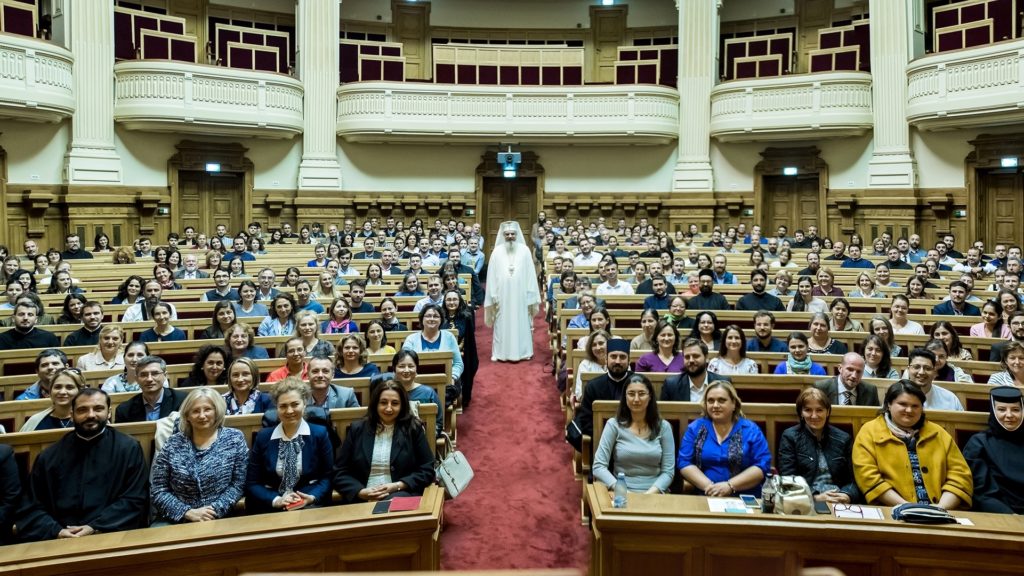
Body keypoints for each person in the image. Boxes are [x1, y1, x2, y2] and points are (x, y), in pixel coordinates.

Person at [16, 388, 149, 541]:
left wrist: (94, 527)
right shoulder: (49, 456)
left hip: (111, 534)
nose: (91, 415)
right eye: (82, 410)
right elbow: (32, 506)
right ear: (72, 415)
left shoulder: (128, 448)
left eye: (98, 409)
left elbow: (135, 499)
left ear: (109, 413)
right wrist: (56, 530)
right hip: (59, 539)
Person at [852, 380, 973, 509]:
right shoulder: (869, 432)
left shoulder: (938, 433)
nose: (909, 410)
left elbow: (960, 476)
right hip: (891, 509)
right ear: (888, 404)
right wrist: (908, 508)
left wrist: (940, 509)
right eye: (902, 404)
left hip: (942, 509)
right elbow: (868, 477)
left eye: (915, 406)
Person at [150, 388, 248, 524]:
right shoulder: (173, 443)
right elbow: (158, 490)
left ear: (217, 411)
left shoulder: (234, 438)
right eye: (195, 411)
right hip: (178, 520)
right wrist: (187, 512)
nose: (202, 416)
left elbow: (238, 485)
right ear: (187, 416)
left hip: (222, 517)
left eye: (207, 409)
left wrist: (213, 511)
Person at [332, 378, 436, 503]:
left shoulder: (413, 429)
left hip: (400, 494)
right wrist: (360, 491)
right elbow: (340, 471)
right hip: (362, 498)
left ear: (402, 405)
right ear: (375, 404)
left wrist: (398, 485)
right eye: (383, 402)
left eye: (395, 403)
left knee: (394, 504)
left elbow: (427, 469)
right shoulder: (357, 429)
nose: (388, 408)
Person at [245, 378, 335, 514]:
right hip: (271, 506)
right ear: (276, 408)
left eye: (295, 404)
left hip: (309, 505)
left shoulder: (319, 434)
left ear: (304, 403)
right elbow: (252, 482)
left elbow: (327, 477)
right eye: (283, 406)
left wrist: (311, 497)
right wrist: (276, 500)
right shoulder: (263, 436)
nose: (289, 411)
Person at [677, 381, 771, 497]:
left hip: (744, 496)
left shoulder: (751, 430)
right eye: (710, 401)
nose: (715, 405)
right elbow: (684, 462)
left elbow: (762, 465)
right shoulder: (695, 428)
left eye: (721, 400)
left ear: (734, 404)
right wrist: (710, 487)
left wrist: (730, 486)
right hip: (706, 494)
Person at [593, 374, 675, 494]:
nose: (636, 399)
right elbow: (599, 466)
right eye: (631, 394)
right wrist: (622, 490)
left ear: (650, 396)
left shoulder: (664, 427)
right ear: (625, 397)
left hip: (655, 493)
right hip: (621, 492)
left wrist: (649, 495)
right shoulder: (614, 425)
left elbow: (668, 472)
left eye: (641, 394)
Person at [778, 387, 859, 504]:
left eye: (819, 410)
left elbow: (854, 479)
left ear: (828, 412)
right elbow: (788, 479)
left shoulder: (843, 438)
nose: (814, 416)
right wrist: (815, 498)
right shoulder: (790, 437)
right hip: (806, 501)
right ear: (801, 413)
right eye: (808, 410)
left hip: (839, 499)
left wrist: (847, 495)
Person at [484, 221, 541, 362]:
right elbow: (491, 275)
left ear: (517, 234)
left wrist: (530, 295)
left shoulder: (525, 250)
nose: (510, 236)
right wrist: (493, 293)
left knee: (521, 322)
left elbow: (530, 274)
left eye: (512, 234)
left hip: (521, 295)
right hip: (502, 295)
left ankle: (524, 352)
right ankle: (499, 352)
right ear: (503, 235)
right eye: (507, 234)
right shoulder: (497, 251)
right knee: (501, 323)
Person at [962, 386, 1024, 514]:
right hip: (1000, 514)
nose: (1009, 415)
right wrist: (1012, 517)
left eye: (1015, 410)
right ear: (993, 411)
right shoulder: (979, 443)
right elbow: (981, 493)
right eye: (1001, 409)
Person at [570, 338, 634, 448]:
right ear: (606, 360)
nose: (617, 361)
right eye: (613, 357)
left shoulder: (640, 384)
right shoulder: (593, 386)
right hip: (602, 442)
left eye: (622, 357)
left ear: (629, 361)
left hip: (634, 440)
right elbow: (586, 420)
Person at [114, 355, 186, 422]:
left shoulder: (183, 402)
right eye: (143, 375)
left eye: (155, 374)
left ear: (165, 376)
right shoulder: (124, 410)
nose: (149, 379)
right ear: (136, 379)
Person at [660, 338, 731, 401]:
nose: (691, 360)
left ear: (706, 357)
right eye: (687, 357)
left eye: (696, 356)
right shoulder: (671, 385)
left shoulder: (724, 382)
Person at [21, 367, 84, 431]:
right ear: (50, 391)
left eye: (69, 387)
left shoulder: (86, 419)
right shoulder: (35, 421)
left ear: (79, 391)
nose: (62, 392)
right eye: (57, 387)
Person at [814, 352, 879, 406]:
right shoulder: (821, 388)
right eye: (850, 369)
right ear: (840, 368)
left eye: (859, 372)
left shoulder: (871, 391)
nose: (854, 376)